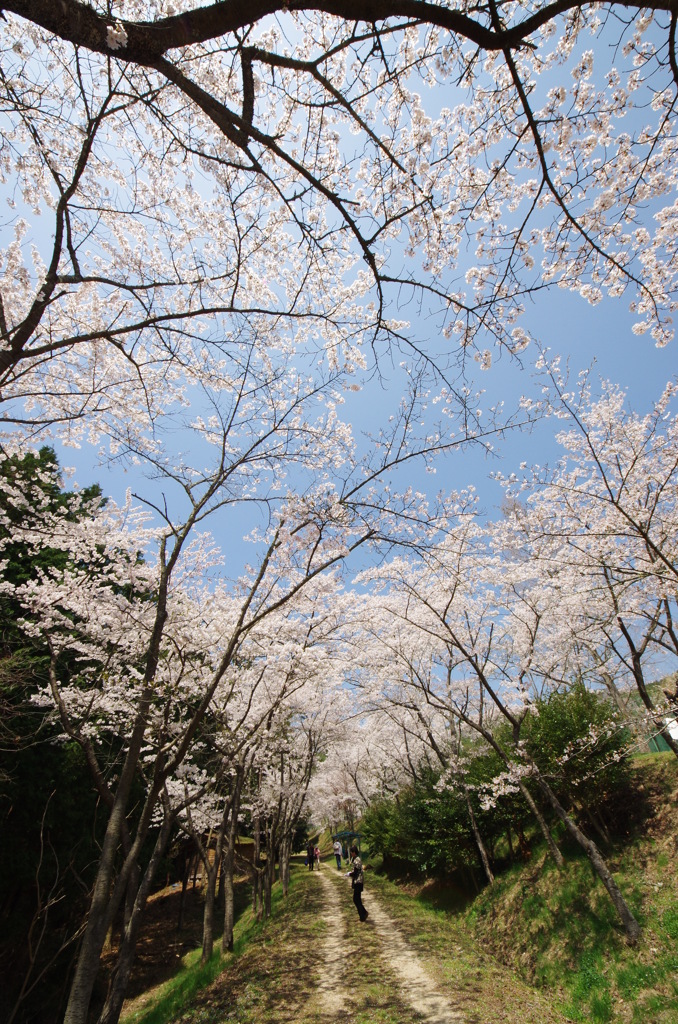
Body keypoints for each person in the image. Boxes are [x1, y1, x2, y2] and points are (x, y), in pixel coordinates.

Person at [345, 845, 368, 921]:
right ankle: (363, 913)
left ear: (354, 852)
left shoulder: (356, 860)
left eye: (351, 852)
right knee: (357, 899)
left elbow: (355, 872)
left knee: (356, 899)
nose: (351, 854)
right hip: (358, 881)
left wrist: (349, 874)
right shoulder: (356, 859)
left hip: (358, 881)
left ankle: (363, 914)